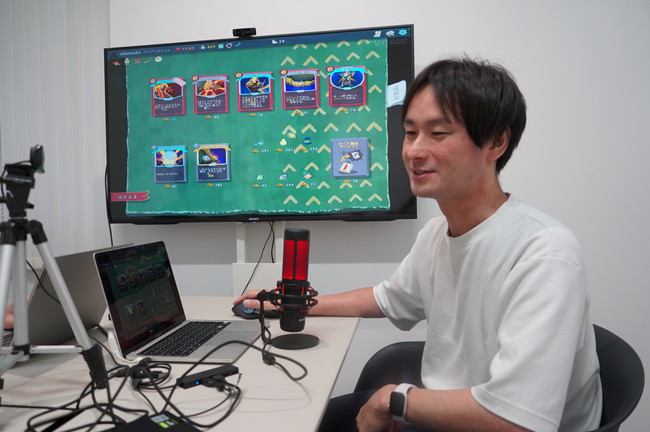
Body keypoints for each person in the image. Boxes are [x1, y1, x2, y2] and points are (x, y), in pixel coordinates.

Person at [234, 56, 602, 432]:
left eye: (437, 134)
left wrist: (395, 400)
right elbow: (385, 299)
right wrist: (291, 304)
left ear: (496, 142)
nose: (413, 151)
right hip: (444, 411)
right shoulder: (436, 234)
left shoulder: (544, 254)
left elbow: (515, 420)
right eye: (410, 133)